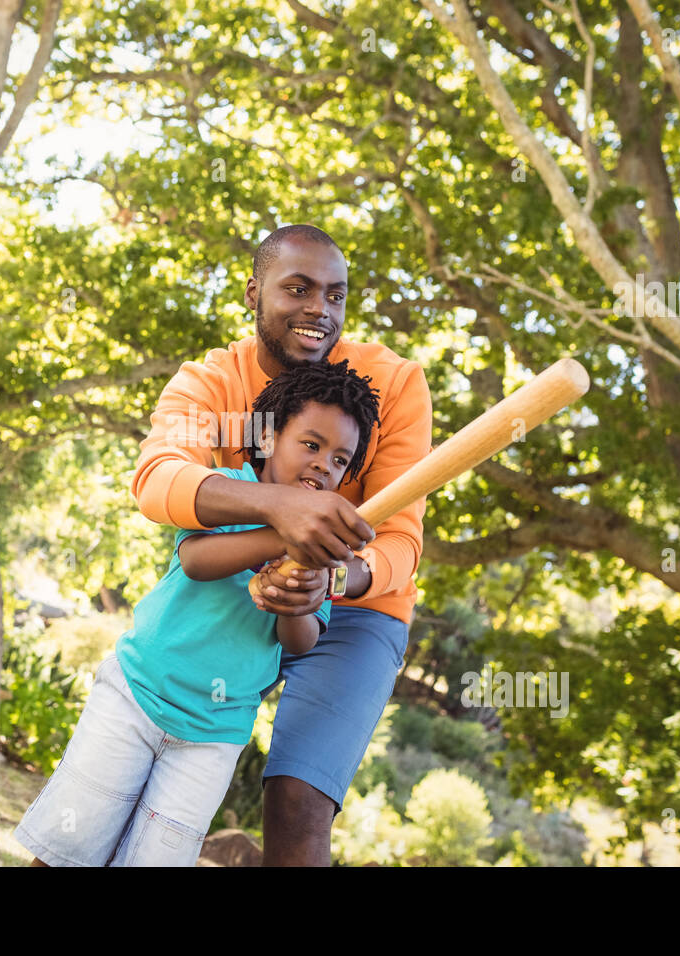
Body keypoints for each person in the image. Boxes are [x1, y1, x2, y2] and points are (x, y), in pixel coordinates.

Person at [132, 224, 433, 866]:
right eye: (297, 289)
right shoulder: (210, 383)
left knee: (297, 799)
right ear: (253, 293)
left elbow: (402, 542)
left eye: (335, 295)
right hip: (235, 589)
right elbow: (158, 480)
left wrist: (330, 578)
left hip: (355, 606)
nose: (318, 310)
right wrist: (281, 509)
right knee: (135, 758)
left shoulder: (396, 384)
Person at [14, 359, 383, 866]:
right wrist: (282, 532)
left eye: (341, 459)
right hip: (137, 695)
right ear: (270, 437)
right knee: (70, 845)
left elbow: (301, 641)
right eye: (312, 445)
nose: (325, 465)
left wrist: (296, 596)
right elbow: (196, 559)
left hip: (214, 734)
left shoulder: (323, 552)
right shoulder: (230, 489)